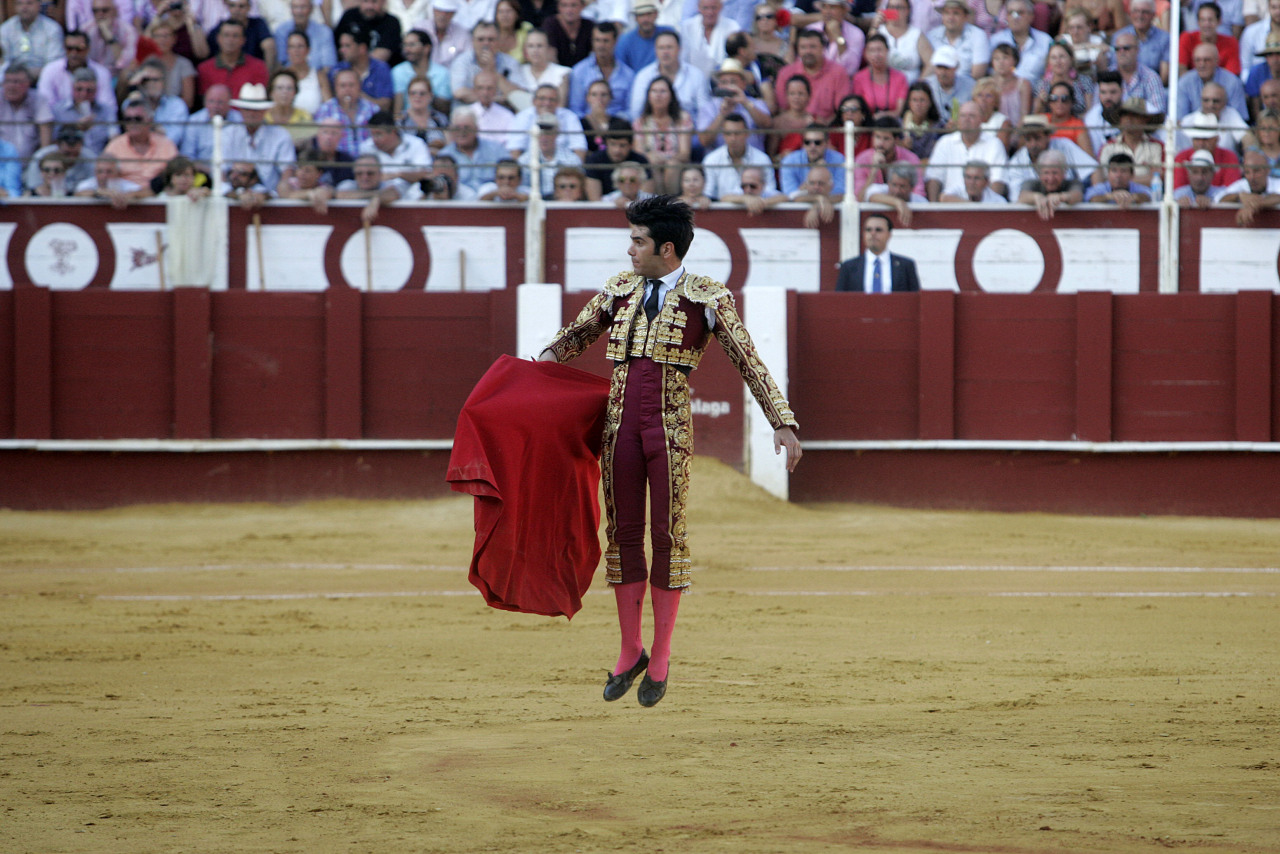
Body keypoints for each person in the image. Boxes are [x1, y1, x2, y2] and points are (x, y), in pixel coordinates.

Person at [537, 194, 800, 708]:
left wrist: (782, 422)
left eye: (638, 241)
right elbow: (572, 338)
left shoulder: (708, 297)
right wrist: (534, 369)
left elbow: (749, 360)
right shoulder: (618, 289)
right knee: (623, 534)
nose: (629, 249)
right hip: (618, 427)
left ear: (667, 248)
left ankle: (660, 654)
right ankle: (629, 648)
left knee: (667, 535)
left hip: (670, 429)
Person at [924, 100, 1007, 199]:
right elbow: (934, 178)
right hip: (950, 204)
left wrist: (989, 206)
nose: (966, 119)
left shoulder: (994, 144)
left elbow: (997, 181)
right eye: (963, 116)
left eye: (972, 116)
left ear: (982, 119)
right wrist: (934, 206)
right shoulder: (945, 142)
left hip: (984, 205)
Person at [628, 30, 711, 122]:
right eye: (661, 48)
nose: (665, 52)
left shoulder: (696, 75)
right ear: (655, 50)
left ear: (679, 49)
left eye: (669, 47)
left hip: (691, 129)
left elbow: (705, 114)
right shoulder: (643, 76)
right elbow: (636, 112)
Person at [633, 75, 694, 193]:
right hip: (651, 164)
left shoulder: (682, 118)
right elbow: (639, 153)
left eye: (663, 91)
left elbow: (685, 153)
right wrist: (652, 157)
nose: (658, 95)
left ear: (671, 96)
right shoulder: (640, 122)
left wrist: (666, 158)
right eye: (654, 91)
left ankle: (670, 201)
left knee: (672, 166)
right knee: (652, 164)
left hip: (675, 164)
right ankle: (658, 201)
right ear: (648, 96)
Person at [775, 28, 851, 122]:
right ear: (798, 50)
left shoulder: (838, 72)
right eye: (803, 47)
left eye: (813, 47)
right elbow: (782, 109)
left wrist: (821, 127)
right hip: (792, 127)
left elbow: (841, 110)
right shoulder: (785, 73)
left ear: (823, 48)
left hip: (826, 127)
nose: (808, 51)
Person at [37, 30, 118, 116]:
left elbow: (109, 107)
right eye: (69, 48)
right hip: (60, 121)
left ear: (88, 49)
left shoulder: (101, 72)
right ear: (64, 48)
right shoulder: (50, 70)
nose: (74, 53)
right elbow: (45, 105)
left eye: (79, 49)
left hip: (95, 121)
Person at [835, 212, 921, 292]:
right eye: (868, 230)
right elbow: (839, 299)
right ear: (864, 234)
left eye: (878, 230)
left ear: (889, 235)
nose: (873, 233)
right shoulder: (848, 267)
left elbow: (915, 298)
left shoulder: (905, 266)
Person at [697, 57, 771, 149]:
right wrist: (722, 114)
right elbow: (704, 140)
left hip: (752, 156)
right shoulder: (709, 107)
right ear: (719, 85)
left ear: (743, 84)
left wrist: (745, 103)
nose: (728, 86)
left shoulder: (756, 103)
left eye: (733, 82)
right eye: (724, 82)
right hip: (720, 157)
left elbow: (767, 125)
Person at [700, 112, 773, 198]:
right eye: (728, 133)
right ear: (723, 135)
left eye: (737, 133)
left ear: (747, 134)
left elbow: (770, 192)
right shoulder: (711, 160)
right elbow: (708, 194)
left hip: (757, 205)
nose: (733, 138)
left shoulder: (763, 159)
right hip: (723, 206)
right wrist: (742, 199)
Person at [568, 21, 635, 116]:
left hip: (619, 124)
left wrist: (612, 122)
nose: (601, 45)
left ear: (615, 42)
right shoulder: (579, 71)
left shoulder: (628, 74)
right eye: (597, 40)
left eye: (606, 41)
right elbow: (575, 109)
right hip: (587, 123)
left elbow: (630, 110)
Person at [438, 106, 511, 191]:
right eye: (457, 128)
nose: (462, 132)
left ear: (476, 129)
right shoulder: (444, 155)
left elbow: (512, 174)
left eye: (467, 128)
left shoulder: (497, 149)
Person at [1097, 97, 1164, 187]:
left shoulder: (1157, 147)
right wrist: (1145, 178)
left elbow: (1160, 177)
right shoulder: (1108, 147)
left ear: (1145, 119)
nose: (1129, 119)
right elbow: (1102, 179)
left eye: (1135, 115)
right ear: (1120, 119)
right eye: (1124, 114)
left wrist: (1120, 180)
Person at [452, 21, 524, 103]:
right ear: (472, 41)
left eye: (491, 39)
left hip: (502, 109)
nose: (486, 43)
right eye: (480, 39)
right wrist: (495, 100)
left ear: (498, 41)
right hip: (469, 108)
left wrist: (493, 71)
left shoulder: (510, 62)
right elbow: (459, 93)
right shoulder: (462, 61)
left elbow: (519, 95)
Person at [314, 67, 379, 157]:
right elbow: (319, 142)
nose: (347, 89)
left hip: (367, 161)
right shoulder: (325, 110)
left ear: (359, 86)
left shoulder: (373, 109)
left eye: (351, 85)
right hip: (337, 161)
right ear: (335, 88)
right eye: (343, 86)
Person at [51, 69, 117, 156]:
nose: (84, 94)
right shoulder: (59, 110)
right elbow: (54, 141)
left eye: (89, 90)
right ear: (72, 88)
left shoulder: (107, 110)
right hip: (71, 159)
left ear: (96, 90)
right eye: (79, 89)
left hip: (100, 159)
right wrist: (75, 128)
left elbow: (114, 138)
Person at [197, 19, 269, 97]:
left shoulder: (258, 67)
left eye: (235, 36)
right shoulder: (204, 69)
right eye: (226, 35)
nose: (230, 40)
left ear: (243, 40)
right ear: (218, 38)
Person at [1177, 42, 1250, 119]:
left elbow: (1240, 118)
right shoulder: (1184, 83)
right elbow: (1179, 119)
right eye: (1198, 60)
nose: (1202, 64)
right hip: (1192, 125)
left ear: (1217, 61)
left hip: (1226, 125)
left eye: (1207, 60)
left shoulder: (1232, 82)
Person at [1173, 111, 1243, 187]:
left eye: (1205, 139)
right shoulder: (1181, 157)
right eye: (1197, 139)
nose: (1201, 143)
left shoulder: (1229, 158)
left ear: (1216, 139)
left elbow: (1233, 190)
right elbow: (1178, 190)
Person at [1, 65, 54, 163]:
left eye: (16, 82)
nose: (11, 86)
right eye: (7, 81)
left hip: (31, 163)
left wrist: (42, 162)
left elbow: (45, 134)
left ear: (28, 83)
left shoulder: (38, 100)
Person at [332, 29, 395, 113]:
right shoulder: (338, 69)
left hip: (374, 119)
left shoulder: (381, 69)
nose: (341, 50)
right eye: (341, 45)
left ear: (362, 48)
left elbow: (385, 105)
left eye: (347, 46)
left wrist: (357, 95)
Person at [926, 0, 989, 79]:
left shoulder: (978, 36)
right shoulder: (932, 36)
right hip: (937, 83)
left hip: (968, 84)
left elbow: (977, 74)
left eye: (956, 13)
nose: (951, 18)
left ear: (966, 16)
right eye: (947, 13)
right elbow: (928, 69)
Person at [392, 29, 452, 114]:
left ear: (426, 48)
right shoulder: (398, 71)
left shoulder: (442, 73)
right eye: (404, 45)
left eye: (412, 45)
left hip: (434, 120)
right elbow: (398, 107)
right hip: (406, 120)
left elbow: (445, 108)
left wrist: (425, 92)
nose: (407, 49)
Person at [989, 0, 1050, 81]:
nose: (1015, 17)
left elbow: (1050, 74)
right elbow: (989, 71)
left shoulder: (1045, 41)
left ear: (1031, 16)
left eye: (1020, 13)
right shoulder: (996, 40)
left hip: (1035, 87)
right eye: (1011, 13)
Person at [1109, 0, 1169, 84]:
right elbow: (1113, 67)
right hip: (1123, 86)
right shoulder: (1119, 37)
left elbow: (1164, 76)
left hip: (1153, 86)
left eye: (1145, 12)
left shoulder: (1165, 38)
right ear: (1130, 14)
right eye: (1136, 11)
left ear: (1153, 15)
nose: (1140, 15)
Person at [1110, 28, 1168, 113]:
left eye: (1126, 48)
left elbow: (1158, 114)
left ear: (1137, 50)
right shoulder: (1107, 75)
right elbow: (1097, 111)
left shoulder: (1151, 78)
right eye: (1117, 49)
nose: (1121, 52)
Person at [872, 0, 930, 84]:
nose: (895, 11)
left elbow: (931, 63)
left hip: (910, 86)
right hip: (883, 86)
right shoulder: (879, 31)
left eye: (899, 7)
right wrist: (874, 27)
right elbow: (870, 55)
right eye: (891, 7)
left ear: (908, 11)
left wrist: (919, 84)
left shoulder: (916, 34)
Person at [335, 153, 403, 223]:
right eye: (359, 173)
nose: (364, 177)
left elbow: (393, 193)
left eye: (370, 173)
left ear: (380, 174)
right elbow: (337, 194)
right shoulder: (347, 185)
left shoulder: (387, 184)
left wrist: (377, 200)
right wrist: (374, 196)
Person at [1018, 149, 1084, 219]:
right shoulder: (1031, 183)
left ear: (1064, 173)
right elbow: (1022, 196)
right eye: (1046, 173)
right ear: (1039, 174)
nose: (1051, 178)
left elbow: (1077, 195)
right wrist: (1036, 197)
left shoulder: (1073, 183)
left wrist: (1060, 197)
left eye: (1055, 173)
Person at [854, 32, 909, 117]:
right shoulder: (859, 78)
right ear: (865, 54)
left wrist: (882, 116)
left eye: (879, 50)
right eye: (872, 51)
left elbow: (898, 111)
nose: (876, 55)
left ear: (887, 51)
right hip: (868, 123)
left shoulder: (900, 77)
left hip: (892, 122)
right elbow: (858, 110)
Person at [1, 0, 66, 71]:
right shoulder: (5, 29)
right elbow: (3, 60)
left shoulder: (52, 29)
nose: (24, 7)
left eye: (29, 3)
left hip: (43, 74)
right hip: (12, 74)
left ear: (39, 5)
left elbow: (54, 62)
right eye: (19, 3)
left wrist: (31, 73)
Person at [334, 0, 403, 66]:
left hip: (378, 69)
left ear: (383, 2)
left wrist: (359, 67)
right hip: (347, 66)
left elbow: (382, 55)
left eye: (374, 2)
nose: (369, 6)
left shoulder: (391, 22)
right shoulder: (349, 16)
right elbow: (337, 45)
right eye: (365, 1)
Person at [1219, 148, 1280, 223]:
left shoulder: (1277, 183)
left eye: (1256, 171)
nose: (1252, 177)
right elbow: (1220, 199)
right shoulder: (1241, 184)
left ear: (1267, 170)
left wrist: (1254, 205)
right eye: (1247, 172)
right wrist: (1239, 196)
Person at [273, 0, 338, 70]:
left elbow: (329, 65)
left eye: (303, 7)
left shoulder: (324, 32)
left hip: (318, 75)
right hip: (289, 74)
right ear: (290, 10)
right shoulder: (281, 31)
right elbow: (281, 63)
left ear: (311, 9)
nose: (299, 11)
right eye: (295, 7)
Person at [1180, 1, 1242, 75]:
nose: (1206, 24)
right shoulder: (1187, 38)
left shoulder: (1230, 43)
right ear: (1198, 22)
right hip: (1192, 82)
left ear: (1219, 21)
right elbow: (1181, 69)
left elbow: (1231, 74)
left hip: (1221, 82)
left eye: (1210, 20)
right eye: (1203, 20)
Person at [208, 0, 275, 67]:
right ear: (228, 7)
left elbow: (268, 45)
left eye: (241, 6)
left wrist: (266, 72)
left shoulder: (258, 24)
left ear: (249, 8)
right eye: (232, 6)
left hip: (254, 67)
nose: (237, 10)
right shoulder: (221, 27)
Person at [805, 0, 864, 76]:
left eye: (832, 7)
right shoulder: (810, 29)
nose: (827, 12)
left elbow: (850, 69)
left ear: (844, 10)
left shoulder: (856, 33)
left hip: (841, 81)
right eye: (824, 7)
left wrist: (838, 37)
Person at [921, 44, 973, 123]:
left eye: (946, 68)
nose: (942, 72)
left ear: (956, 67)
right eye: (939, 67)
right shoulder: (926, 86)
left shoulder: (970, 86)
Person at [74, 152, 150, 205]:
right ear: (95, 172)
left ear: (117, 172)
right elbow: (78, 194)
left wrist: (129, 195)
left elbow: (148, 192)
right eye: (100, 171)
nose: (104, 175)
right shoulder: (88, 184)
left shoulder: (122, 183)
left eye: (109, 171)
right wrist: (99, 192)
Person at [399, 75, 450, 150]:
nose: (417, 96)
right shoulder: (399, 119)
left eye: (422, 93)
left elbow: (449, 146)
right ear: (408, 96)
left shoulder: (440, 118)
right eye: (413, 93)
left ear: (431, 96)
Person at [771, 74, 816, 157]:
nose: (796, 97)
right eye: (792, 93)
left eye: (801, 94)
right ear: (786, 96)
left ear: (809, 96)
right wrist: (782, 157)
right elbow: (771, 155)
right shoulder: (778, 122)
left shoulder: (816, 121)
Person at [1083, 151, 1153, 206]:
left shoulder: (1137, 187)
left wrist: (1133, 197)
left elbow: (1149, 196)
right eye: (1114, 170)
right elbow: (1090, 198)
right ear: (1108, 173)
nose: (1118, 175)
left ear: (1132, 175)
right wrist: (1110, 196)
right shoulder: (1101, 187)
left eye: (1123, 171)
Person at [417, 0, 471, 68]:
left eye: (447, 12)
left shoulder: (462, 34)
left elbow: (467, 60)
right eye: (439, 11)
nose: (442, 15)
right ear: (433, 10)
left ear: (453, 13)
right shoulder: (420, 28)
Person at [616, 1, 667, 71]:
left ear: (656, 14)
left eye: (649, 14)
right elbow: (621, 70)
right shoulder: (625, 41)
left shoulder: (668, 34)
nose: (645, 19)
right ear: (635, 18)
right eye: (641, 15)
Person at [542, 0, 594, 68]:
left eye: (573, 5)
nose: (569, 10)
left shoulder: (589, 26)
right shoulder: (550, 25)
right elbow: (551, 56)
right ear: (558, 7)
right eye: (564, 5)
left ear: (582, 6)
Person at [901, 80, 945, 158]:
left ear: (930, 102)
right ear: (909, 103)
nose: (918, 104)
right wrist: (903, 146)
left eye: (922, 100)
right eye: (914, 100)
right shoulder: (900, 126)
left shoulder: (939, 128)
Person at [716, 163, 782, 213]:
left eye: (753, 186)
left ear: (763, 185)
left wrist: (762, 202)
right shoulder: (740, 191)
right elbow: (724, 198)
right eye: (744, 186)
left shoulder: (766, 190)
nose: (748, 190)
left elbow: (783, 197)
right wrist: (744, 198)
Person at [940, 159, 1008, 202]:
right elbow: (943, 197)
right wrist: (972, 206)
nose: (971, 182)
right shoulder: (959, 189)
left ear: (986, 181)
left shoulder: (997, 201)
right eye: (968, 177)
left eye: (976, 178)